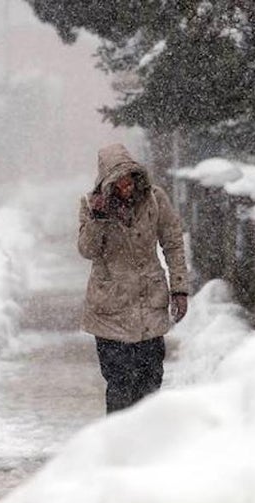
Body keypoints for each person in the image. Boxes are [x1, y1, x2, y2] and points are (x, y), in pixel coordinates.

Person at [77, 143, 189, 414]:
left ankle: (148, 445)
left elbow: (172, 242)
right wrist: (99, 219)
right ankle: (120, 447)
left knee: (150, 382)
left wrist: (179, 288)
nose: (126, 188)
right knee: (120, 383)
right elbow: (87, 250)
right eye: (119, 183)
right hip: (109, 310)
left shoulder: (155, 199)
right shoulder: (91, 206)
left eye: (129, 181)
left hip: (149, 303)